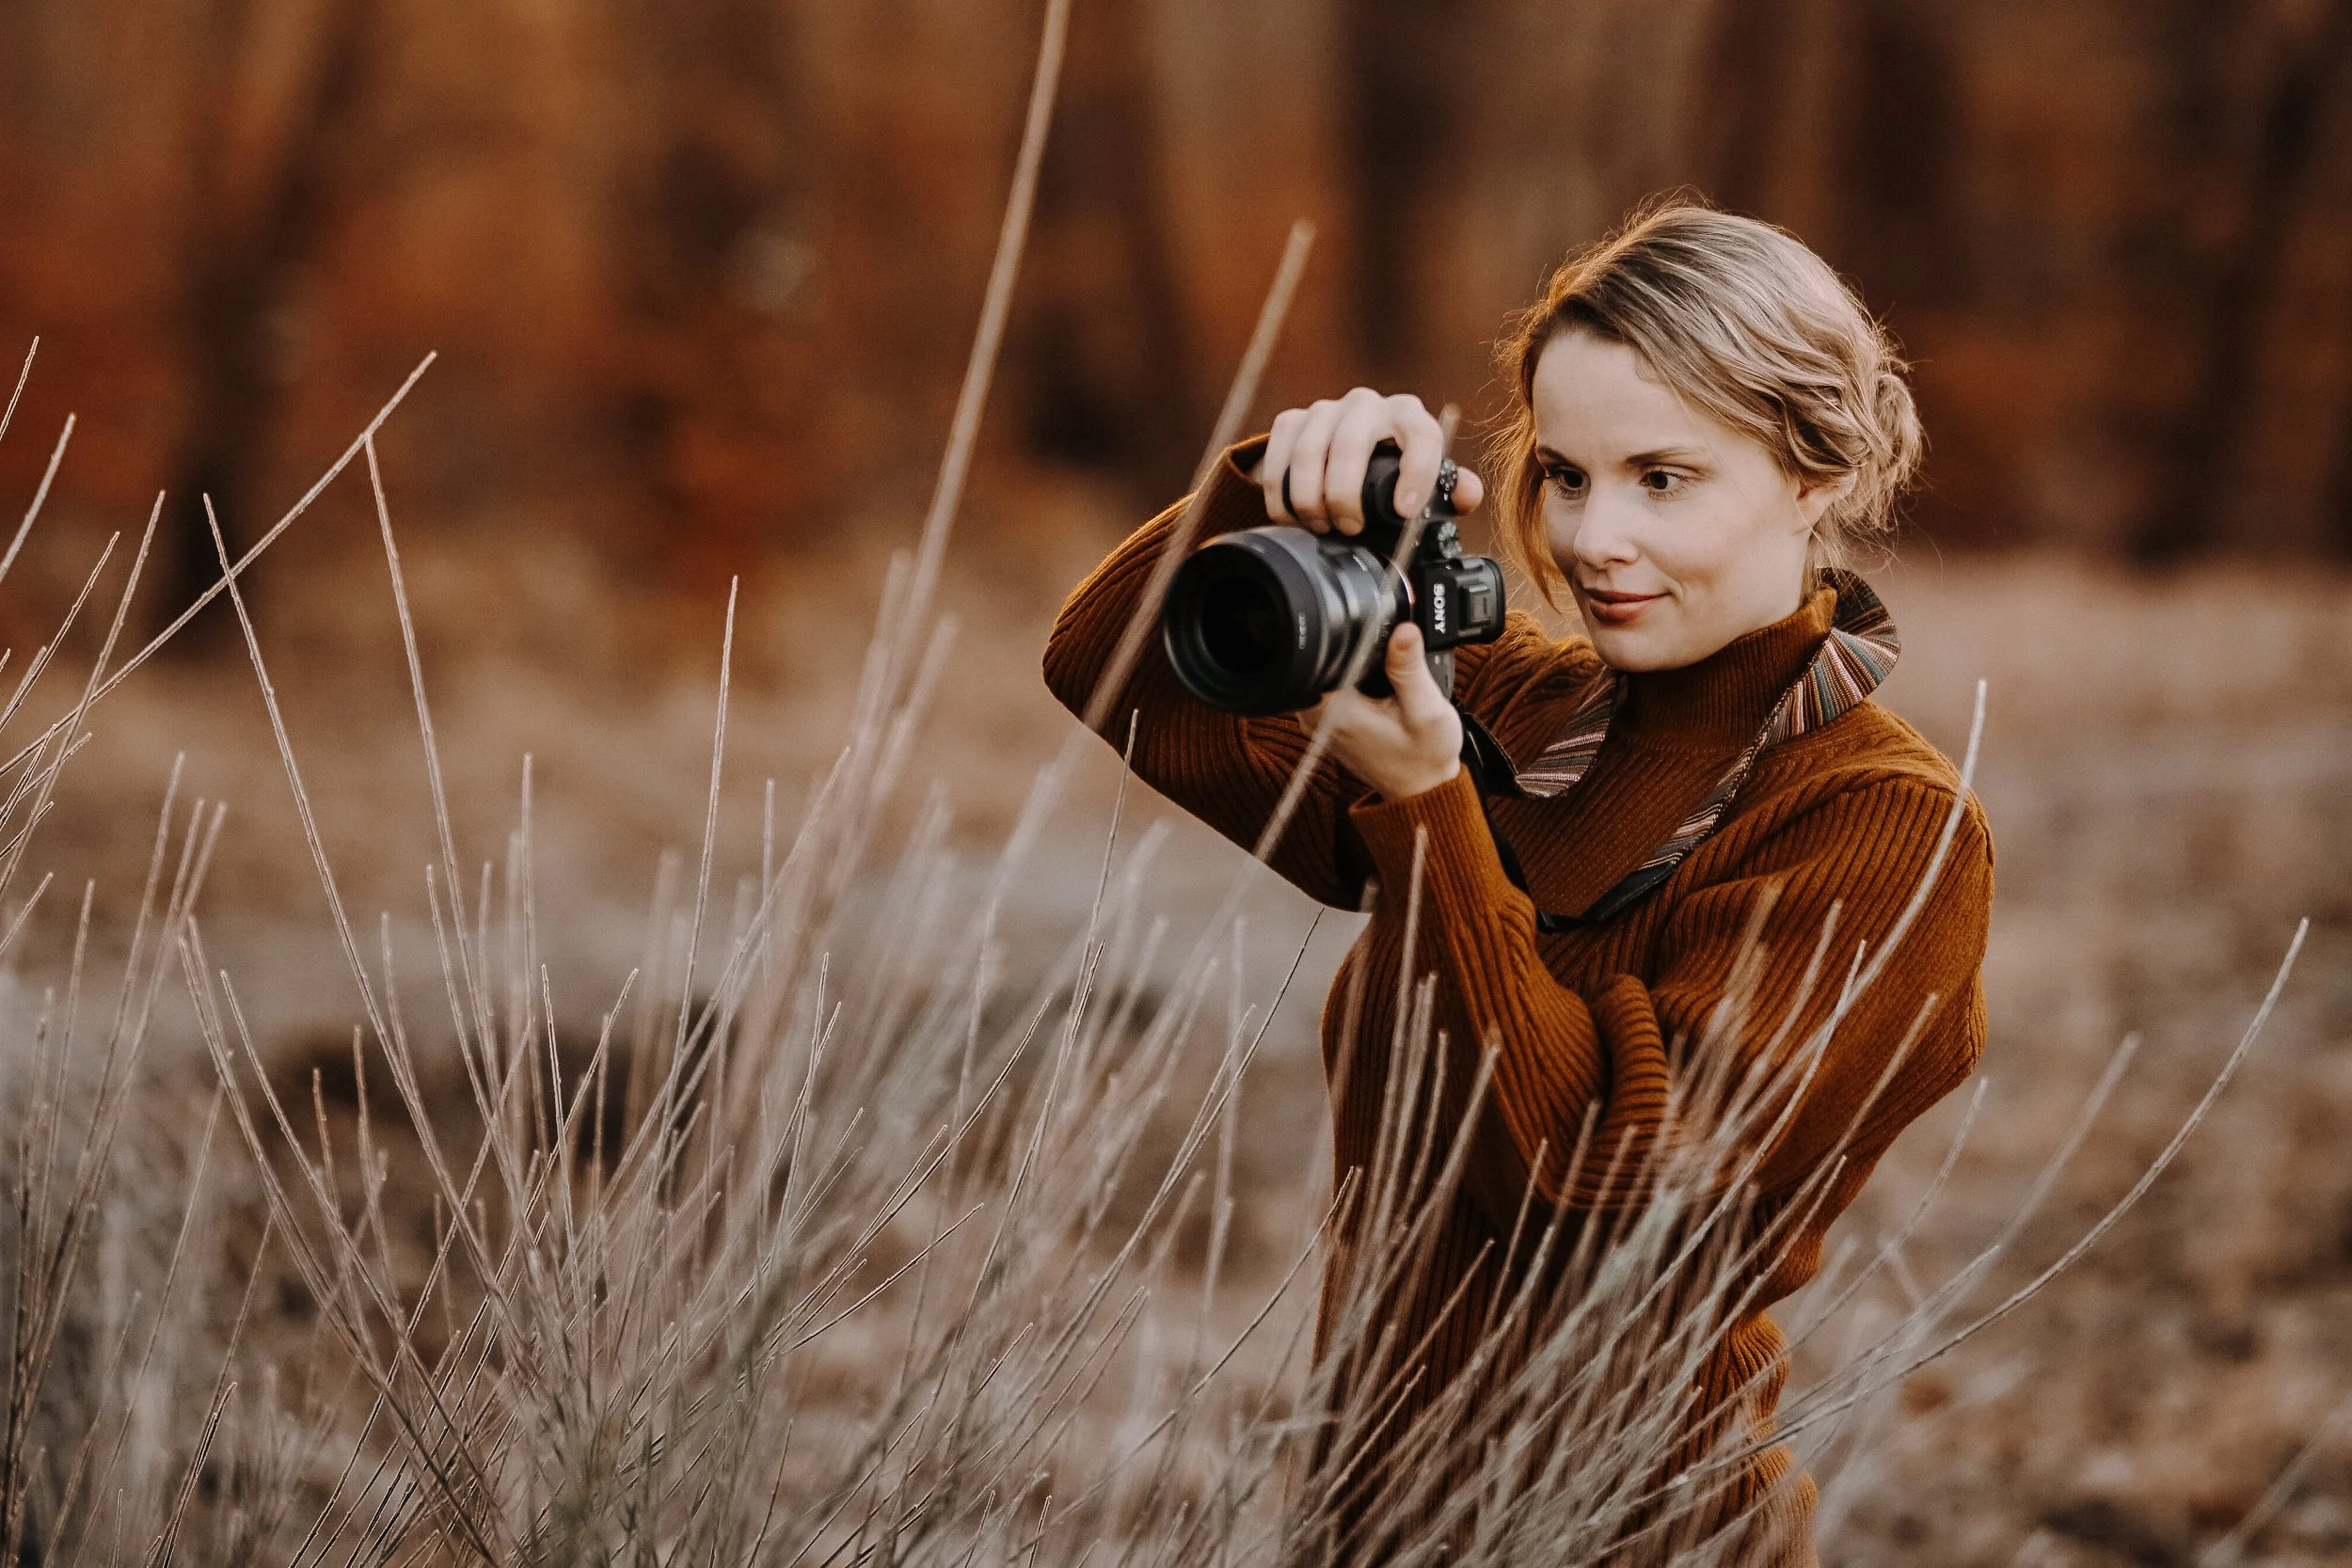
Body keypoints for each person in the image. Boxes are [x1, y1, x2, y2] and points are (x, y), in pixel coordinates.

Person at [1041, 200, 1993, 1566]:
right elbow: (1118, 672)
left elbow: (1605, 1191)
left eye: (1663, 477)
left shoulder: (1881, 827)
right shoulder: (1518, 714)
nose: (1596, 537)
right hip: (1376, 1520)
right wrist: (1284, 482)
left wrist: (1430, 810)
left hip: (1634, 1537)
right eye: (1565, 472)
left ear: (1814, 473)